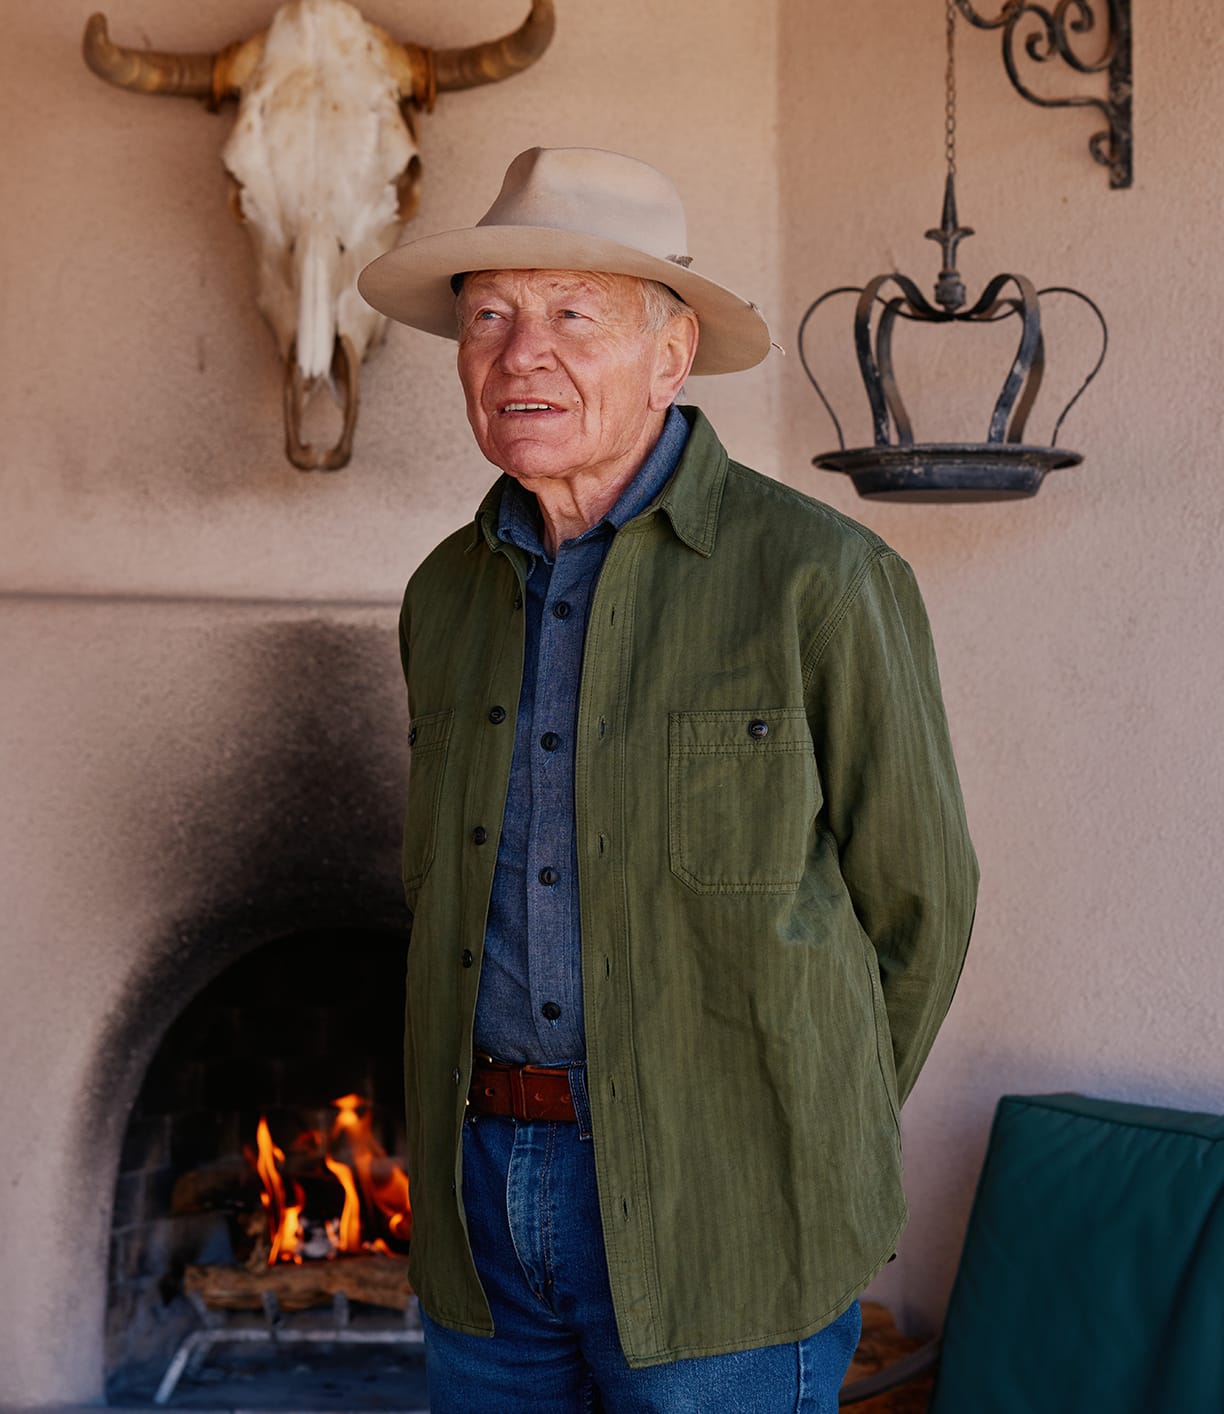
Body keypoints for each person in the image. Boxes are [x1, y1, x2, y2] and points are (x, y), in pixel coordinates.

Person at [357, 147, 978, 1414]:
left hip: (728, 1215)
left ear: (670, 354)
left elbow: (922, 908)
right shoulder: (443, 593)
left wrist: (787, 1123)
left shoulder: (822, 579)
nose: (519, 353)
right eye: (488, 317)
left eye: (572, 315)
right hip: (482, 1215)